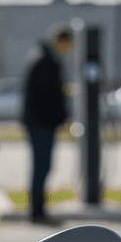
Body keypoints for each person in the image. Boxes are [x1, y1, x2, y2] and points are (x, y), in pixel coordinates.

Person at [21, 25, 72, 223]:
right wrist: (62, 117)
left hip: (39, 122)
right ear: (61, 40)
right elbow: (50, 96)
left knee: (42, 166)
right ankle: (37, 211)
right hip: (41, 123)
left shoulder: (41, 57)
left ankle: (38, 208)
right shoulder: (46, 62)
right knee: (42, 166)